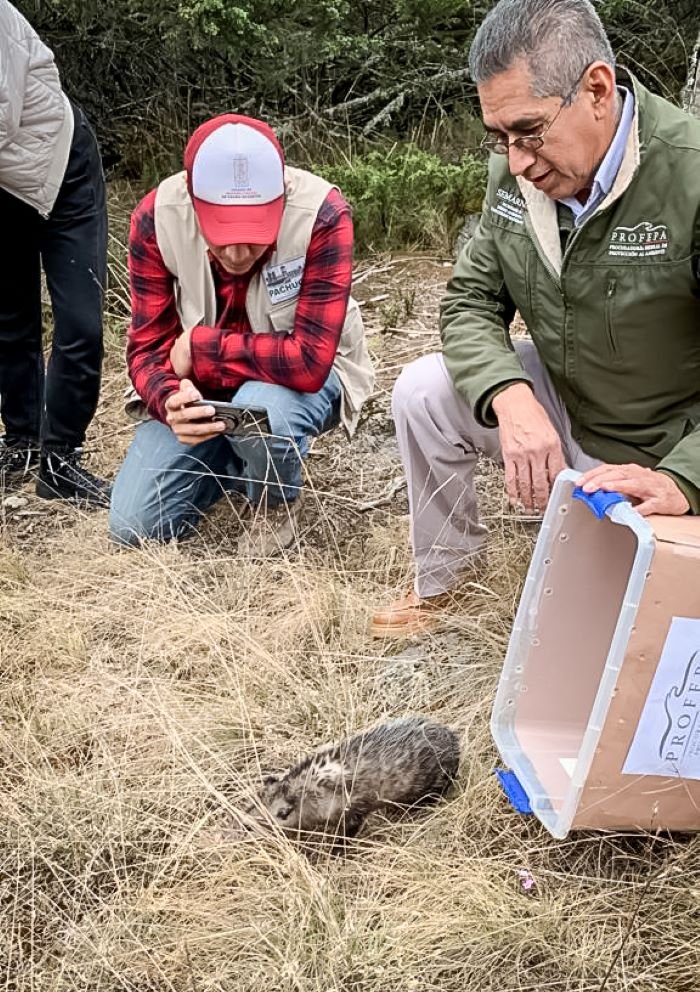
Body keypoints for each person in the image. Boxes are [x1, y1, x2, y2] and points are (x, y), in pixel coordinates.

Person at [372, 0, 700, 637]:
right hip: (567, 402)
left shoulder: (688, 177)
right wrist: (511, 396)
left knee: (610, 638)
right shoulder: (515, 177)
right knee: (423, 392)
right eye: (498, 137)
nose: (516, 160)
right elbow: (470, 301)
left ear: (597, 90)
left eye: (528, 131)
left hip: (663, 448)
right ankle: (448, 580)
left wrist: (684, 479)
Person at [109, 113, 374, 553]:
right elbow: (147, 349)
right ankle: (237, 455)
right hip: (203, 391)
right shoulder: (156, 218)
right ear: (194, 203)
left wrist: (201, 348)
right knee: (134, 525)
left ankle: (274, 499)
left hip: (302, 382)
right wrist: (169, 400)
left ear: (279, 199)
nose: (236, 252)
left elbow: (310, 363)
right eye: (221, 232)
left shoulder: (321, 215)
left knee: (262, 409)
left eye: (253, 232)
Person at [0, 0, 109, 504]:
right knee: (10, 320)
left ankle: (61, 460)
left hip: (62, 172)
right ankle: (22, 442)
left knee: (80, 324)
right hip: (5, 188)